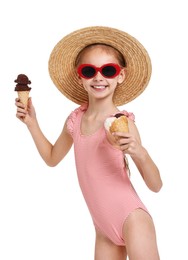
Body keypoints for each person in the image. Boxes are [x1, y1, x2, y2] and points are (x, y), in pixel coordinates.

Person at [15, 26, 163, 260]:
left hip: (133, 220)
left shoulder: (122, 123)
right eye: (88, 70)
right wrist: (32, 123)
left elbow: (156, 185)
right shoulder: (75, 119)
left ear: (120, 75)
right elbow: (52, 158)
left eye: (108, 70)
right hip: (103, 228)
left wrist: (139, 152)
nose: (99, 77)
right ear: (80, 76)